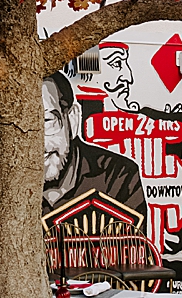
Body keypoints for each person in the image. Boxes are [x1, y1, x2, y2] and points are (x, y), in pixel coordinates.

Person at [41, 71, 147, 224]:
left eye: (47, 121)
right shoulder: (3, 185)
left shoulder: (117, 176)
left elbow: (133, 245)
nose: (39, 144)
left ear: (73, 119)